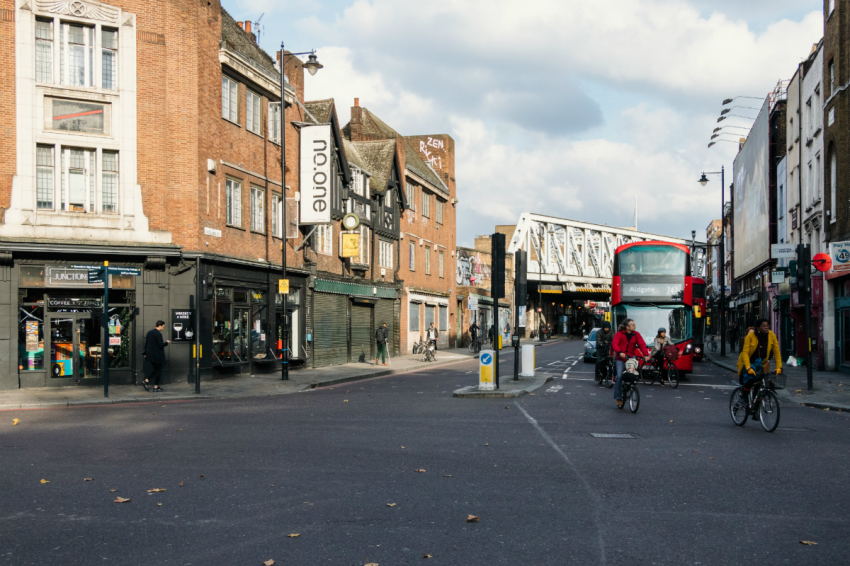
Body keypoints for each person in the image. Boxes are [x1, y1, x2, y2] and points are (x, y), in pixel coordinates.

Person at [736, 318, 782, 409]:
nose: (766, 327)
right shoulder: (750, 336)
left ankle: (755, 410)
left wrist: (779, 367)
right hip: (749, 361)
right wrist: (748, 367)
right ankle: (744, 397)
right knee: (750, 380)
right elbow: (745, 353)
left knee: (760, 386)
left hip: (761, 363)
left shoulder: (772, 335)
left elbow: (776, 352)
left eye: (767, 325)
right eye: (763, 326)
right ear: (758, 328)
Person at [611, 318, 650, 407]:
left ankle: (632, 387)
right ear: (627, 327)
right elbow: (614, 344)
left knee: (634, 374)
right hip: (620, 358)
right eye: (633, 325)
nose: (635, 326)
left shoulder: (636, 334)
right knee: (620, 377)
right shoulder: (619, 334)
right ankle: (618, 397)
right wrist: (620, 352)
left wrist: (646, 354)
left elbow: (642, 344)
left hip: (631, 357)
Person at [142, 320, 170, 392]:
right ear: (160, 325)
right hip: (158, 355)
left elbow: (146, 344)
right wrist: (166, 343)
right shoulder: (158, 334)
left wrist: (145, 353)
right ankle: (155, 387)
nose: (163, 328)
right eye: (163, 327)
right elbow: (160, 345)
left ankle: (146, 380)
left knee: (156, 370)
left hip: (151, 355)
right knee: (158, 371)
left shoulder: (149, 332)